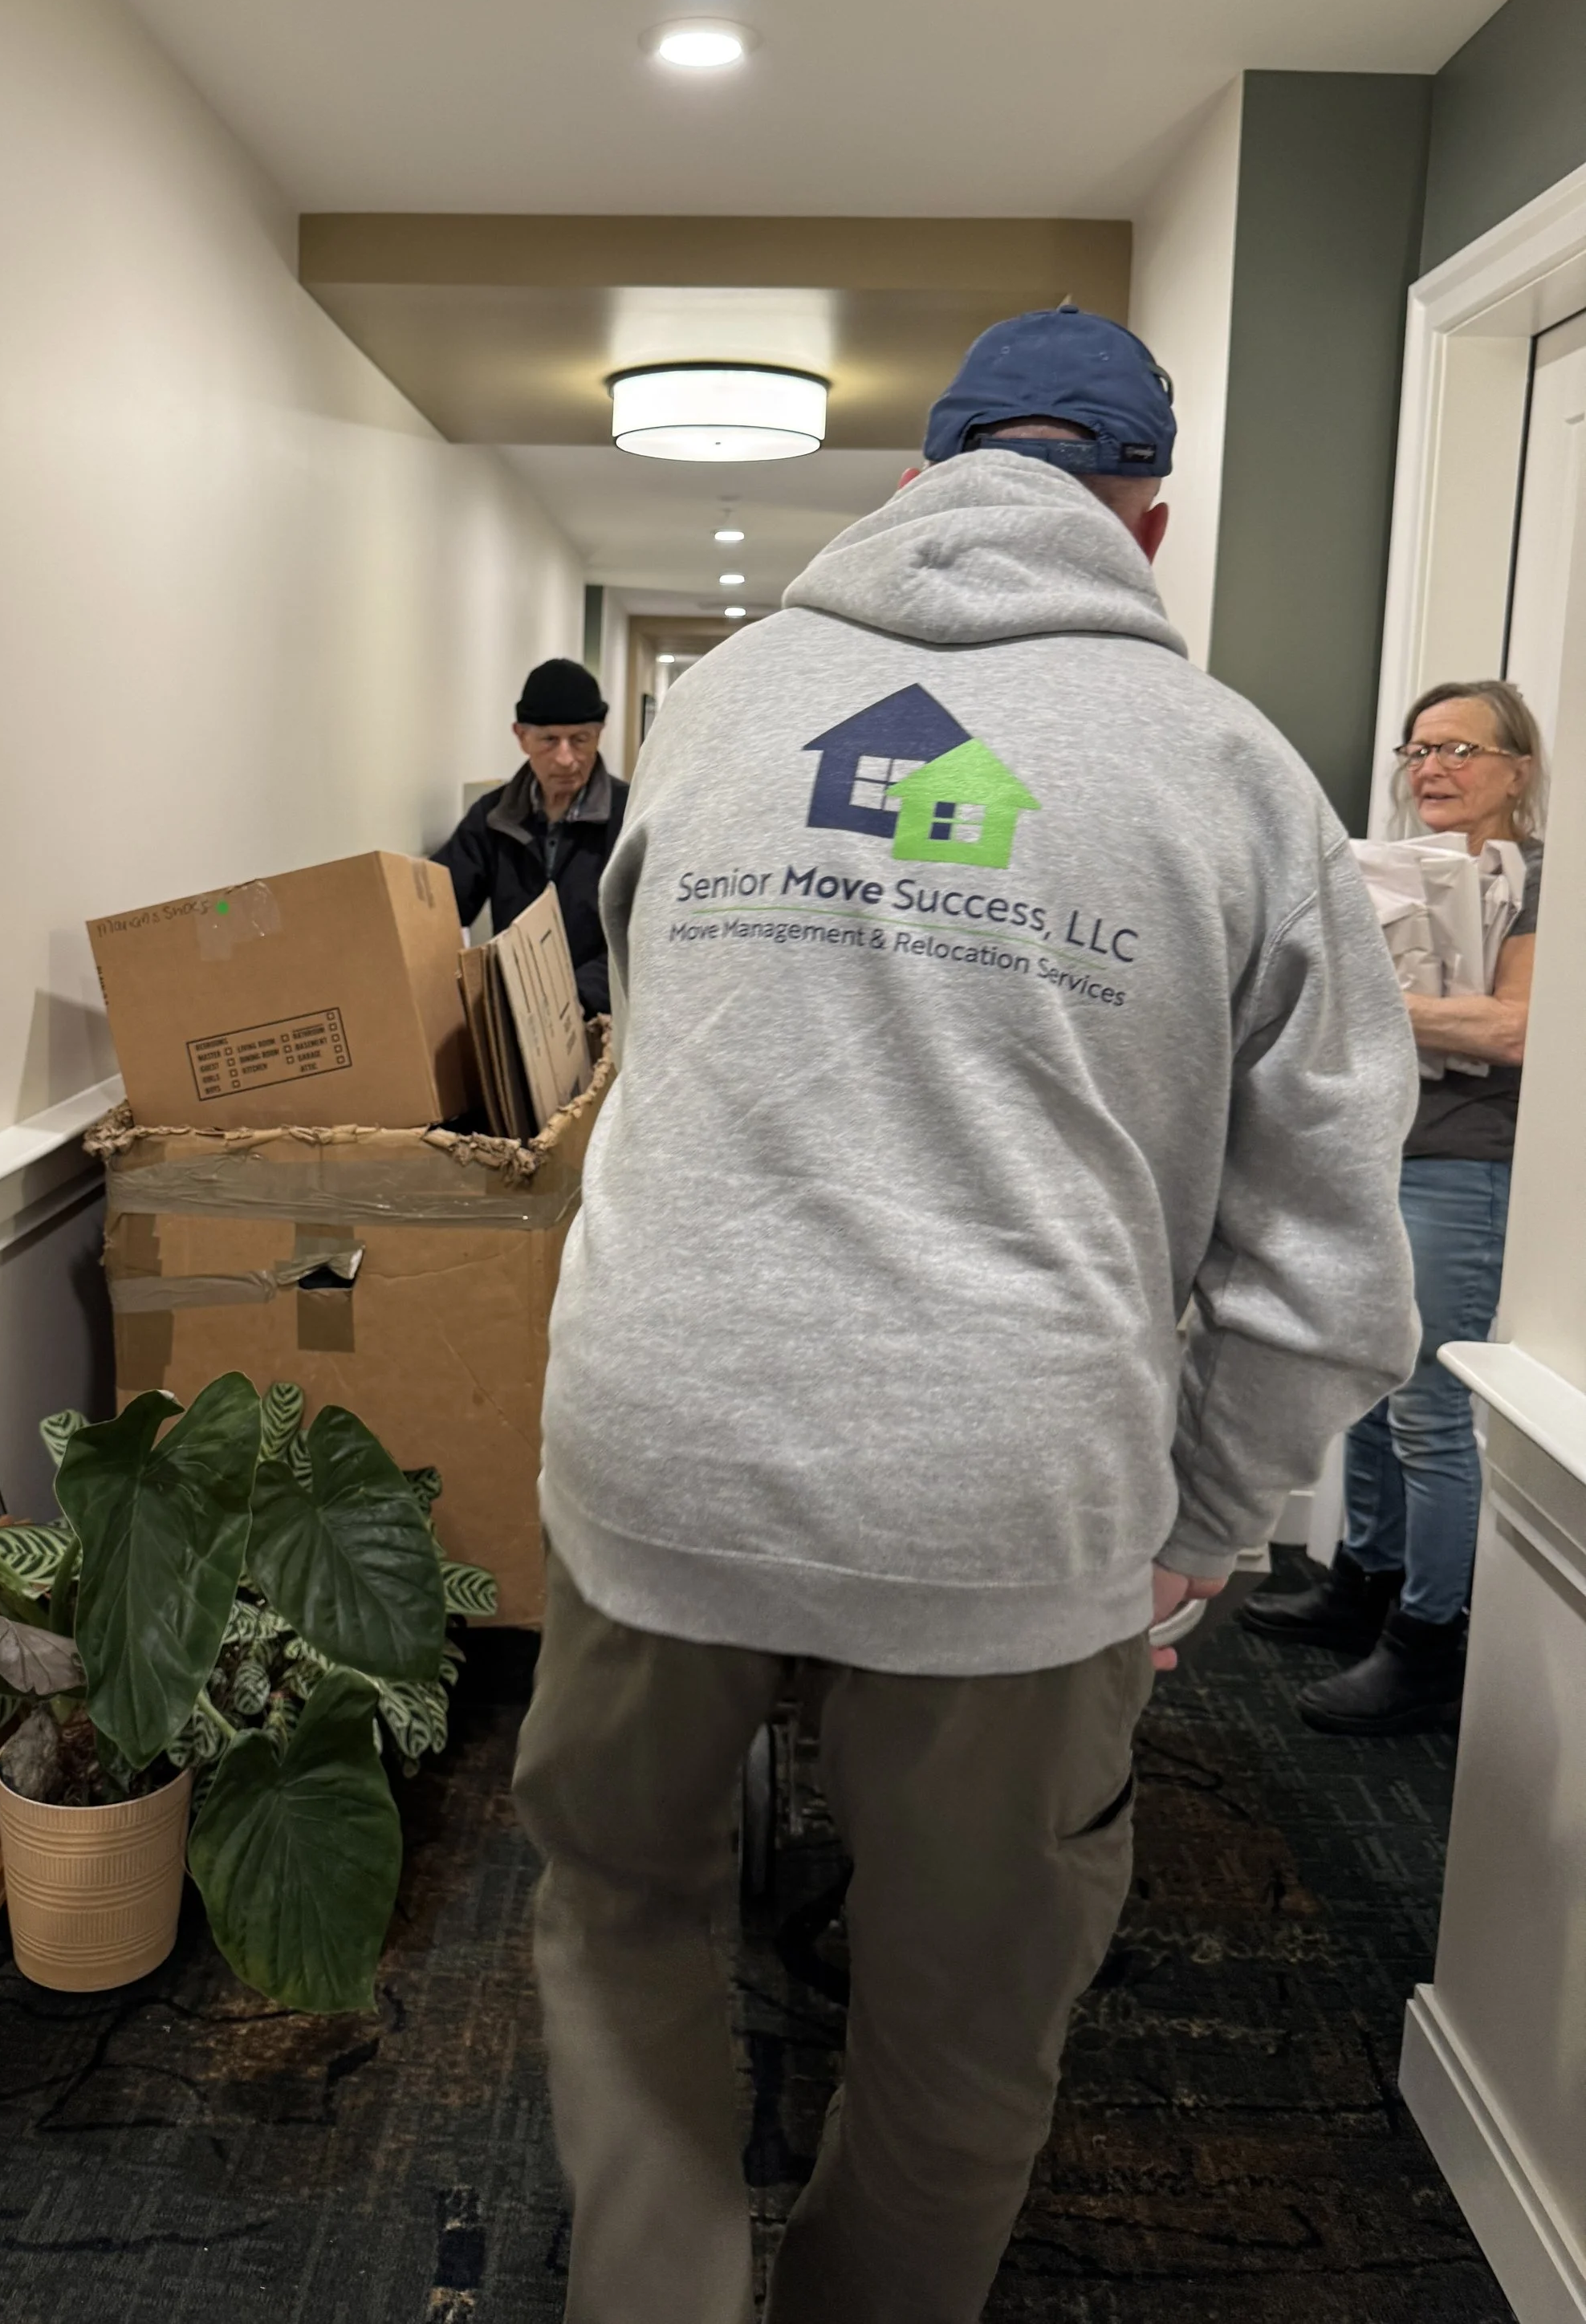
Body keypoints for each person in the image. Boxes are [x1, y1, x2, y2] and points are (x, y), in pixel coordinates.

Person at [511, 304, 1421, 2324]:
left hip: (661, 1445)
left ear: (920, 479)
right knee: (963, 2019)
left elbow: (653, 1055)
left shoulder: (725, 705)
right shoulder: (1237, 780)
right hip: (1012, 1501)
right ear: (1150, 524)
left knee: (624, 1907)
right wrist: (1202, 1528)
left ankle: (652, 2289)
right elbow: (1330, 1272)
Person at [1242, 679, 1543, 1735]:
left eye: (1461, 750)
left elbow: (1511, 1031)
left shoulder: (1545, 882)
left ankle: (1430, 1640)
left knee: (1427, 1401)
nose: (1433, 770)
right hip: (1378, 1149)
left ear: (1520, 768)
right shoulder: (1387, 875)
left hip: (1465, 1164)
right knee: (1369, 1378)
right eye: (1418, 751)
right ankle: (1362, 1584)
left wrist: (1376, 1002)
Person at [433, 657, 628, 1017]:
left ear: (599, 733)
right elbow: (439, 907)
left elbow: (637, 934)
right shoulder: (493, 818)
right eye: (549, 740)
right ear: (521, 737)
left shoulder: (629, 816)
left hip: (600, 1016)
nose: (566, 758)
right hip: (515, 1014)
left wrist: (575, 998)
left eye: (580, 740)